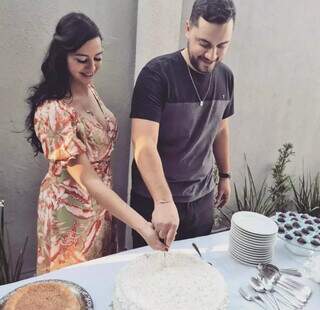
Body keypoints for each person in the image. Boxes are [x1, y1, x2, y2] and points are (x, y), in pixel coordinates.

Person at [25, 12, 166, 275]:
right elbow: (87, 179)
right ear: (62, 57)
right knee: (71, 286)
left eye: (98, 58)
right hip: (69, 214)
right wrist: (143, 226)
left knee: (99, 279)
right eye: (82, 60)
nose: (92, 67)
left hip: (100, 206)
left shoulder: (88, 88)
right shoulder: (53, 110)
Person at [130, 0, 236, 248]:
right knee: (150, 276)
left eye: (222, 46)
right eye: (204, 44)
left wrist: (225, 174)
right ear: (188, 28)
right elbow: (143, 143)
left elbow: (220, 128)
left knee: (195, 271)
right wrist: (164, 202)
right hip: (155, 200)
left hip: (201, 200)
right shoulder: (156, 75)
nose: (212, 55)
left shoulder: (226, 77)